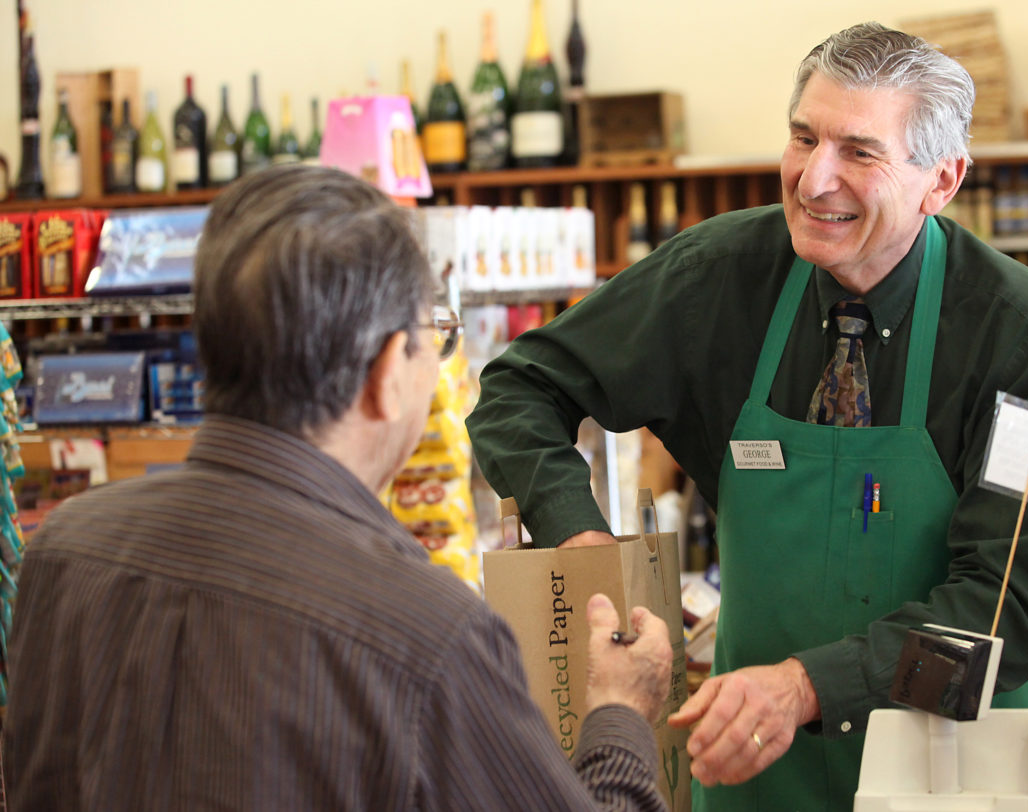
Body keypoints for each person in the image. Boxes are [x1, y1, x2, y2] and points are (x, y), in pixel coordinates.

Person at [466, 22, 1028, 811]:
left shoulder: (1018, 330)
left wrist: (804, 689)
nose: (813, 178)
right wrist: (584, 542)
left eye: (859, 152)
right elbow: (520, 388)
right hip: (755, 768)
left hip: (955, 771)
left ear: (943, 180)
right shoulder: (715, 280)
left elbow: (1009, 611)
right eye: (803, 138)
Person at [2, 165, 675, 812]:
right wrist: (620, 713)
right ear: (387, 373)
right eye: (432, 338)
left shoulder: (62, 550)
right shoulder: (428, 631)